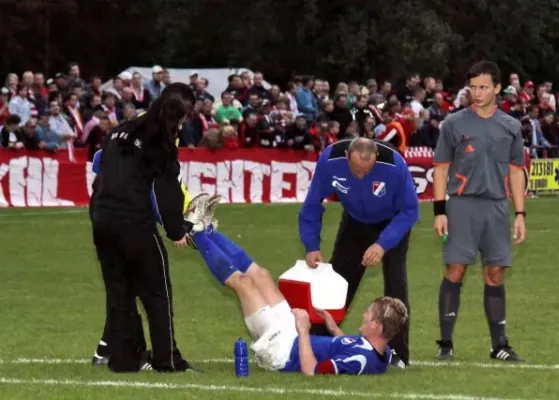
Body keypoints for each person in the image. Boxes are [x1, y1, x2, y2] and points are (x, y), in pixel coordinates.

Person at [186, 194, 409, 375]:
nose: (364, 314)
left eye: (369, 315)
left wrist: (303, 331)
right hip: (292, 336)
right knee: (262, 275)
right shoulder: (382, 350)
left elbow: (311, 370)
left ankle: (194, 232)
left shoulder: (363, 360)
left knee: (244, 283)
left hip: (282, 351)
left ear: (378, 327)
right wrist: (332, 328)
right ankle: (206, 229)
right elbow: (349, 347)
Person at [89, 83, 197, 373]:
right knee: (157, 293)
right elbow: (167, 192)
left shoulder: (117, 132)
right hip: (134, 223)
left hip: (103, 220)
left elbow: (98, 182)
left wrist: (99, 220)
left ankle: (125, 359)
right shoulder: (159, 139)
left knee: (119, 293)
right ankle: (167, 360)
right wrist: (178, 230)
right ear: (180, 115)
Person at [432, 61, 527, 362]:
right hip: (462, 204)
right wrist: (439, 210)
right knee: (455, 270)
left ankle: (499, 345)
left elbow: (516, 171)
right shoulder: (454, 124)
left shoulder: (511, 126)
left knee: (495, 273)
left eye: (483, 87)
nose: (477, 92)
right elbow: (441, 169)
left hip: (498, 207)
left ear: (498, 88)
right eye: (473, 87)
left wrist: (520, 214)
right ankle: (445, 343)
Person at [298, 137, 419, 367]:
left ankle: (397, 354)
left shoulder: (395, 165)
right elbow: (313, 204)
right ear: (346, 159)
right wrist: (311, 246)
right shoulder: (329, 159)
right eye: (356, 170)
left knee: (396, 284)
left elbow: (410, 211)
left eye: (367, 170)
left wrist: (382, 244)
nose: (362, 175)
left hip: (392, 222)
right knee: (337, 283)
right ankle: (320, 343)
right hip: (355, 221)